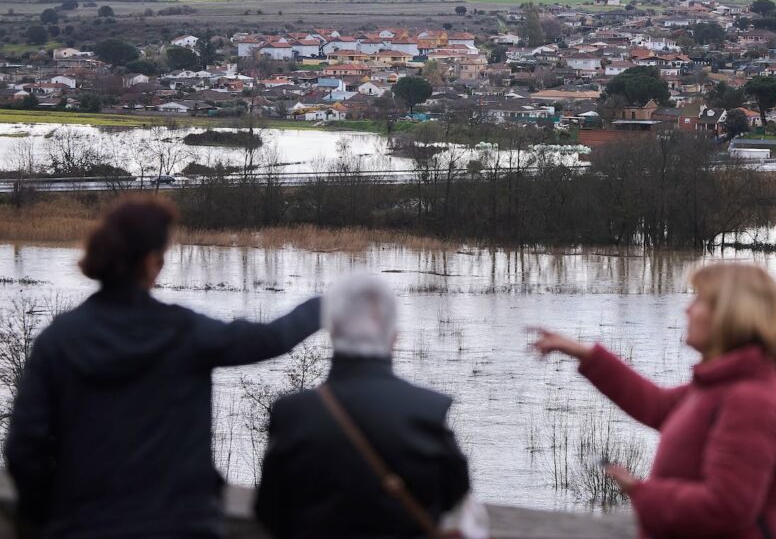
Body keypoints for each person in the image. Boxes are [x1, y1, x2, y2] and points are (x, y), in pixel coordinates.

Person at [5, 196, 322, 539]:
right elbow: (271, 339)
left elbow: (24, 447)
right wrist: (327, 304)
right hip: (181, 525)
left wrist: (51, 517)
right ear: (151, 263)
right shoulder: (185, 332)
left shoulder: (58, 340)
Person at [530, 263, 776, 539]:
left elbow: (725, 508)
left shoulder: (750, 401)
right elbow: (655, 405)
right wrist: (583, 354)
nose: (687, 309)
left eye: (700, 300)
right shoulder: (720, 387)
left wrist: (642, 493)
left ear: (730, 316)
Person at [256, 275, 470, 539]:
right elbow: (454, 497)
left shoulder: (292, 414)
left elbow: (268, 512)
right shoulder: (429, 412)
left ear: (332, 332)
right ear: (394, 338)